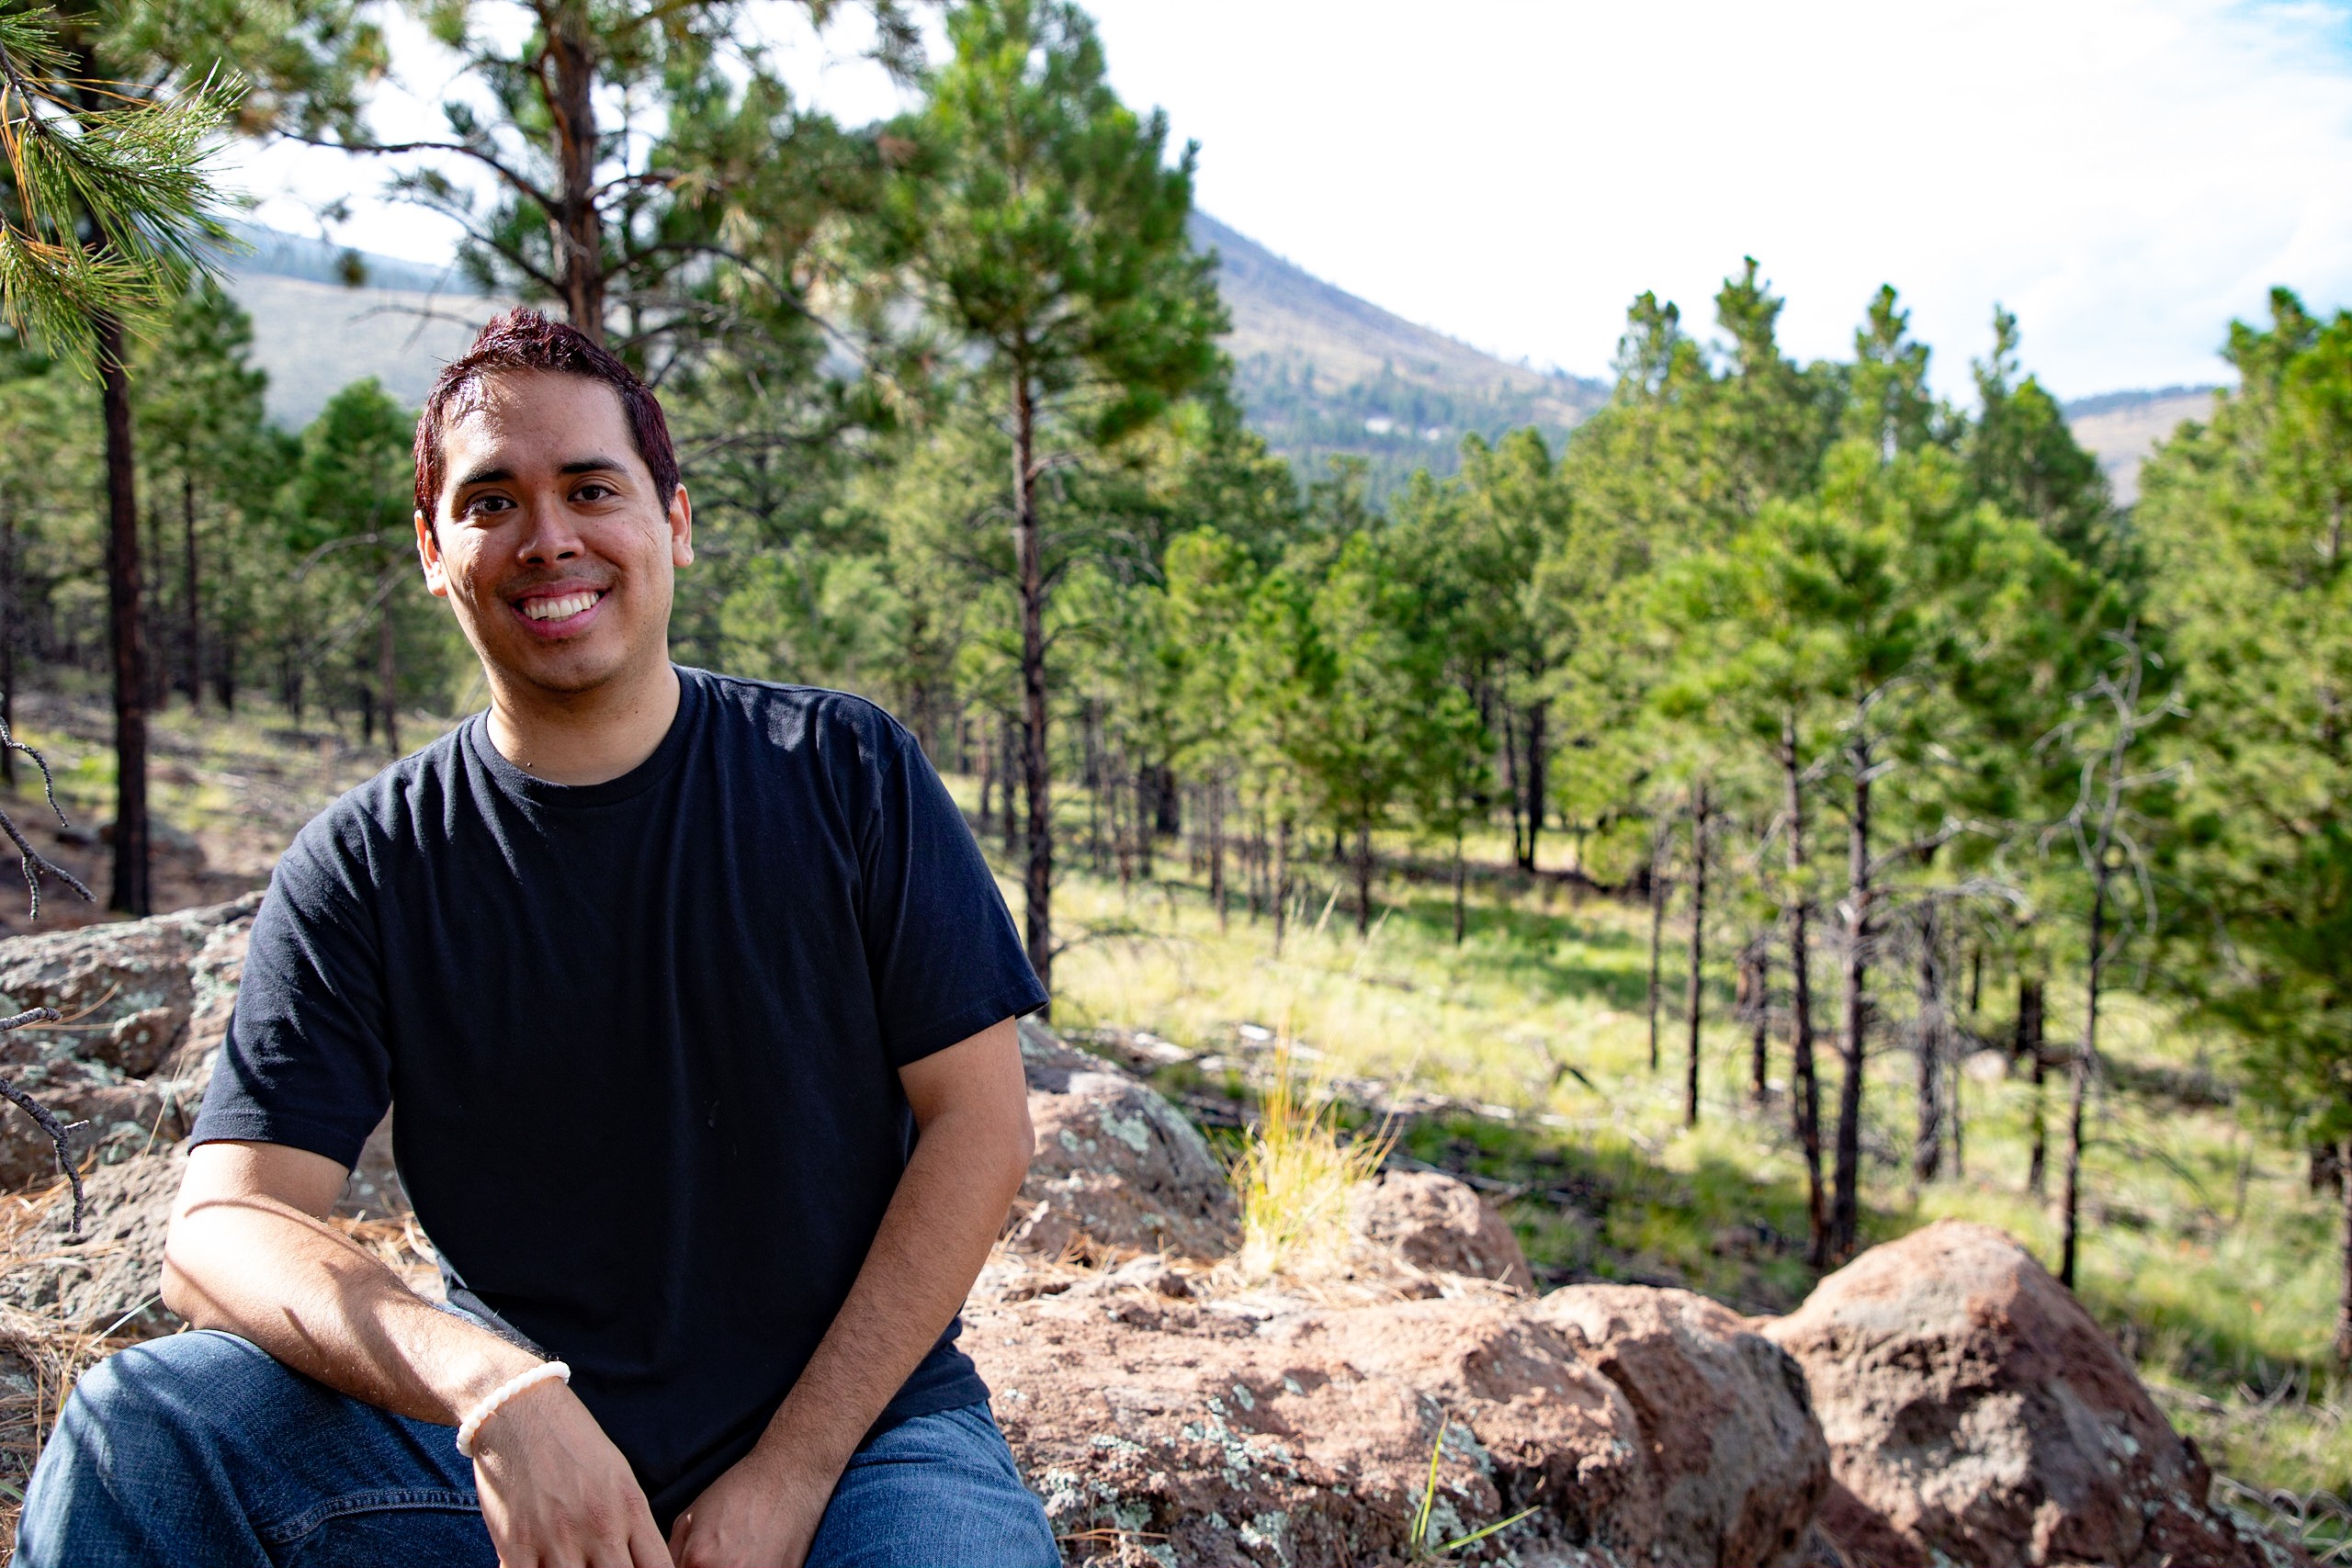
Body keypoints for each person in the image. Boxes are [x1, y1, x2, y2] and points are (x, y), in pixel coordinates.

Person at [15, 310, 1060, 1568]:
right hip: (505, 1468)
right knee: (143, 1426)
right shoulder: (368, 864)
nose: (548, 536)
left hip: (866, 1451)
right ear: (433, 550)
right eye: (492, 501)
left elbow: (980, 1127)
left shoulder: (847, 773)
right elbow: (218, 1231)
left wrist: (791, 1474)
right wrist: (493, 1391)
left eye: (591, 489)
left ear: (674, 521)